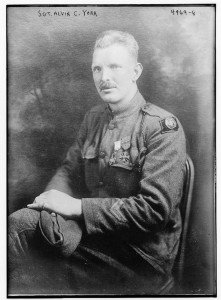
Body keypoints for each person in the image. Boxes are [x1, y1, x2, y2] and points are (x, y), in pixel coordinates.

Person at [8, 30, 186, 295]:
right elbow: (69, 172)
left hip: (139, 255)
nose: (104, 78)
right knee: (22, 226)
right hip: (95, 236)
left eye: (114, 67)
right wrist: (50, 204)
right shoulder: (93, 118)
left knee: (23, 252)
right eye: (97, 69)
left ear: (136, 72)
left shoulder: (162, 128)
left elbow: (154, 210)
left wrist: (76, 207)